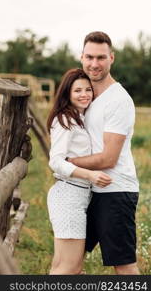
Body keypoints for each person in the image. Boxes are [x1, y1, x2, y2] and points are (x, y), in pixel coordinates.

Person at [67, 31, 140, 275]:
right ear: (81, 57)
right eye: (89, 57)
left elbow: (109, 158)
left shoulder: (118, 100)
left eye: (101, 57)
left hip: (115, 191)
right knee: (69, 261)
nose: (94, 64)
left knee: (124, 266)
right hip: (89, 189)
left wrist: (67, 163)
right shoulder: (86, 96)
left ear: (112, 58)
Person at [46, 68, 112, 275]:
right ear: (67, 93)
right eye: (77, 91)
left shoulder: (79, 118)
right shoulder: (64, 119)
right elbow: (55, 161)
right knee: (70, 268)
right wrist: (90, 175)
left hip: (76, 196)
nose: (84, 94)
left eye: (88, 90)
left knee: (61, 267)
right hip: (68, 196)